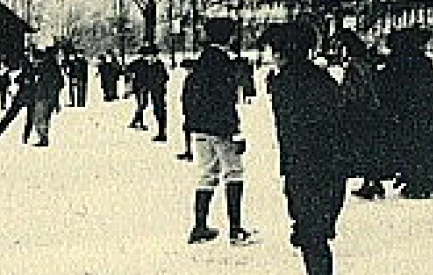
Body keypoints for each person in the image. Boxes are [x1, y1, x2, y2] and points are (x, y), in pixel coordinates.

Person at [263, 21, 347, 275]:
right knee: (315, 236)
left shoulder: (286, 84)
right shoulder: (322, 80)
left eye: (274, 51)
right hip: (330, 166)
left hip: (305, 167)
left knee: (312, 237)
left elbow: (294, 131)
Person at [183, 18, 257, 246]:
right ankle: (236, 230)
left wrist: (192, 124)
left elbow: (187, 96)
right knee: (233, 173)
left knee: (207, 174)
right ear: (229, 36)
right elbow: (226, 101)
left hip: (200, 128)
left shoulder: (200, 62)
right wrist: (234, 131)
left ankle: (199, 226)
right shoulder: (225, 64)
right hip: (221, 129)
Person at [378, 27, 433, 199]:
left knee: (410, 148)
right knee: (421, 149)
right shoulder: (422, 61)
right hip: (425, 113)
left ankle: (414, 182)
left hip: (407, 115)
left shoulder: (397, 62)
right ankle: (419, 183)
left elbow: (385, 86)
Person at [333, 30, 392, 200]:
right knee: (371, 148)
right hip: (372, 111)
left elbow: (353, 91)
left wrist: (341, 100)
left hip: (361, 112)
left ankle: (371, 184)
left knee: (364, 148)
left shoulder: (355, 66)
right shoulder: (365, 62)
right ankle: (374, 183)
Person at [25, 49, 65, 147]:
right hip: (47, 97)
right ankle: (43, 137)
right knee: (43, 118)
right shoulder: (52, 67)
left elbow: (56, 84)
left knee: (39, 118)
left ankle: (43, 138)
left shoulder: (46, 68)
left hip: (44, 97)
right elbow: (60, 83)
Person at [139, 46, 170, 142]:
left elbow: (165, 77)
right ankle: (160, 132)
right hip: (152, 91)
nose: (147, 58)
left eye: (149, 55)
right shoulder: (148, 65)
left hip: (159, 92)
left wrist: (156, 84)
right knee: (156, 112)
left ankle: (162, 133)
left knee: (160, 111)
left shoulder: (159, 65)